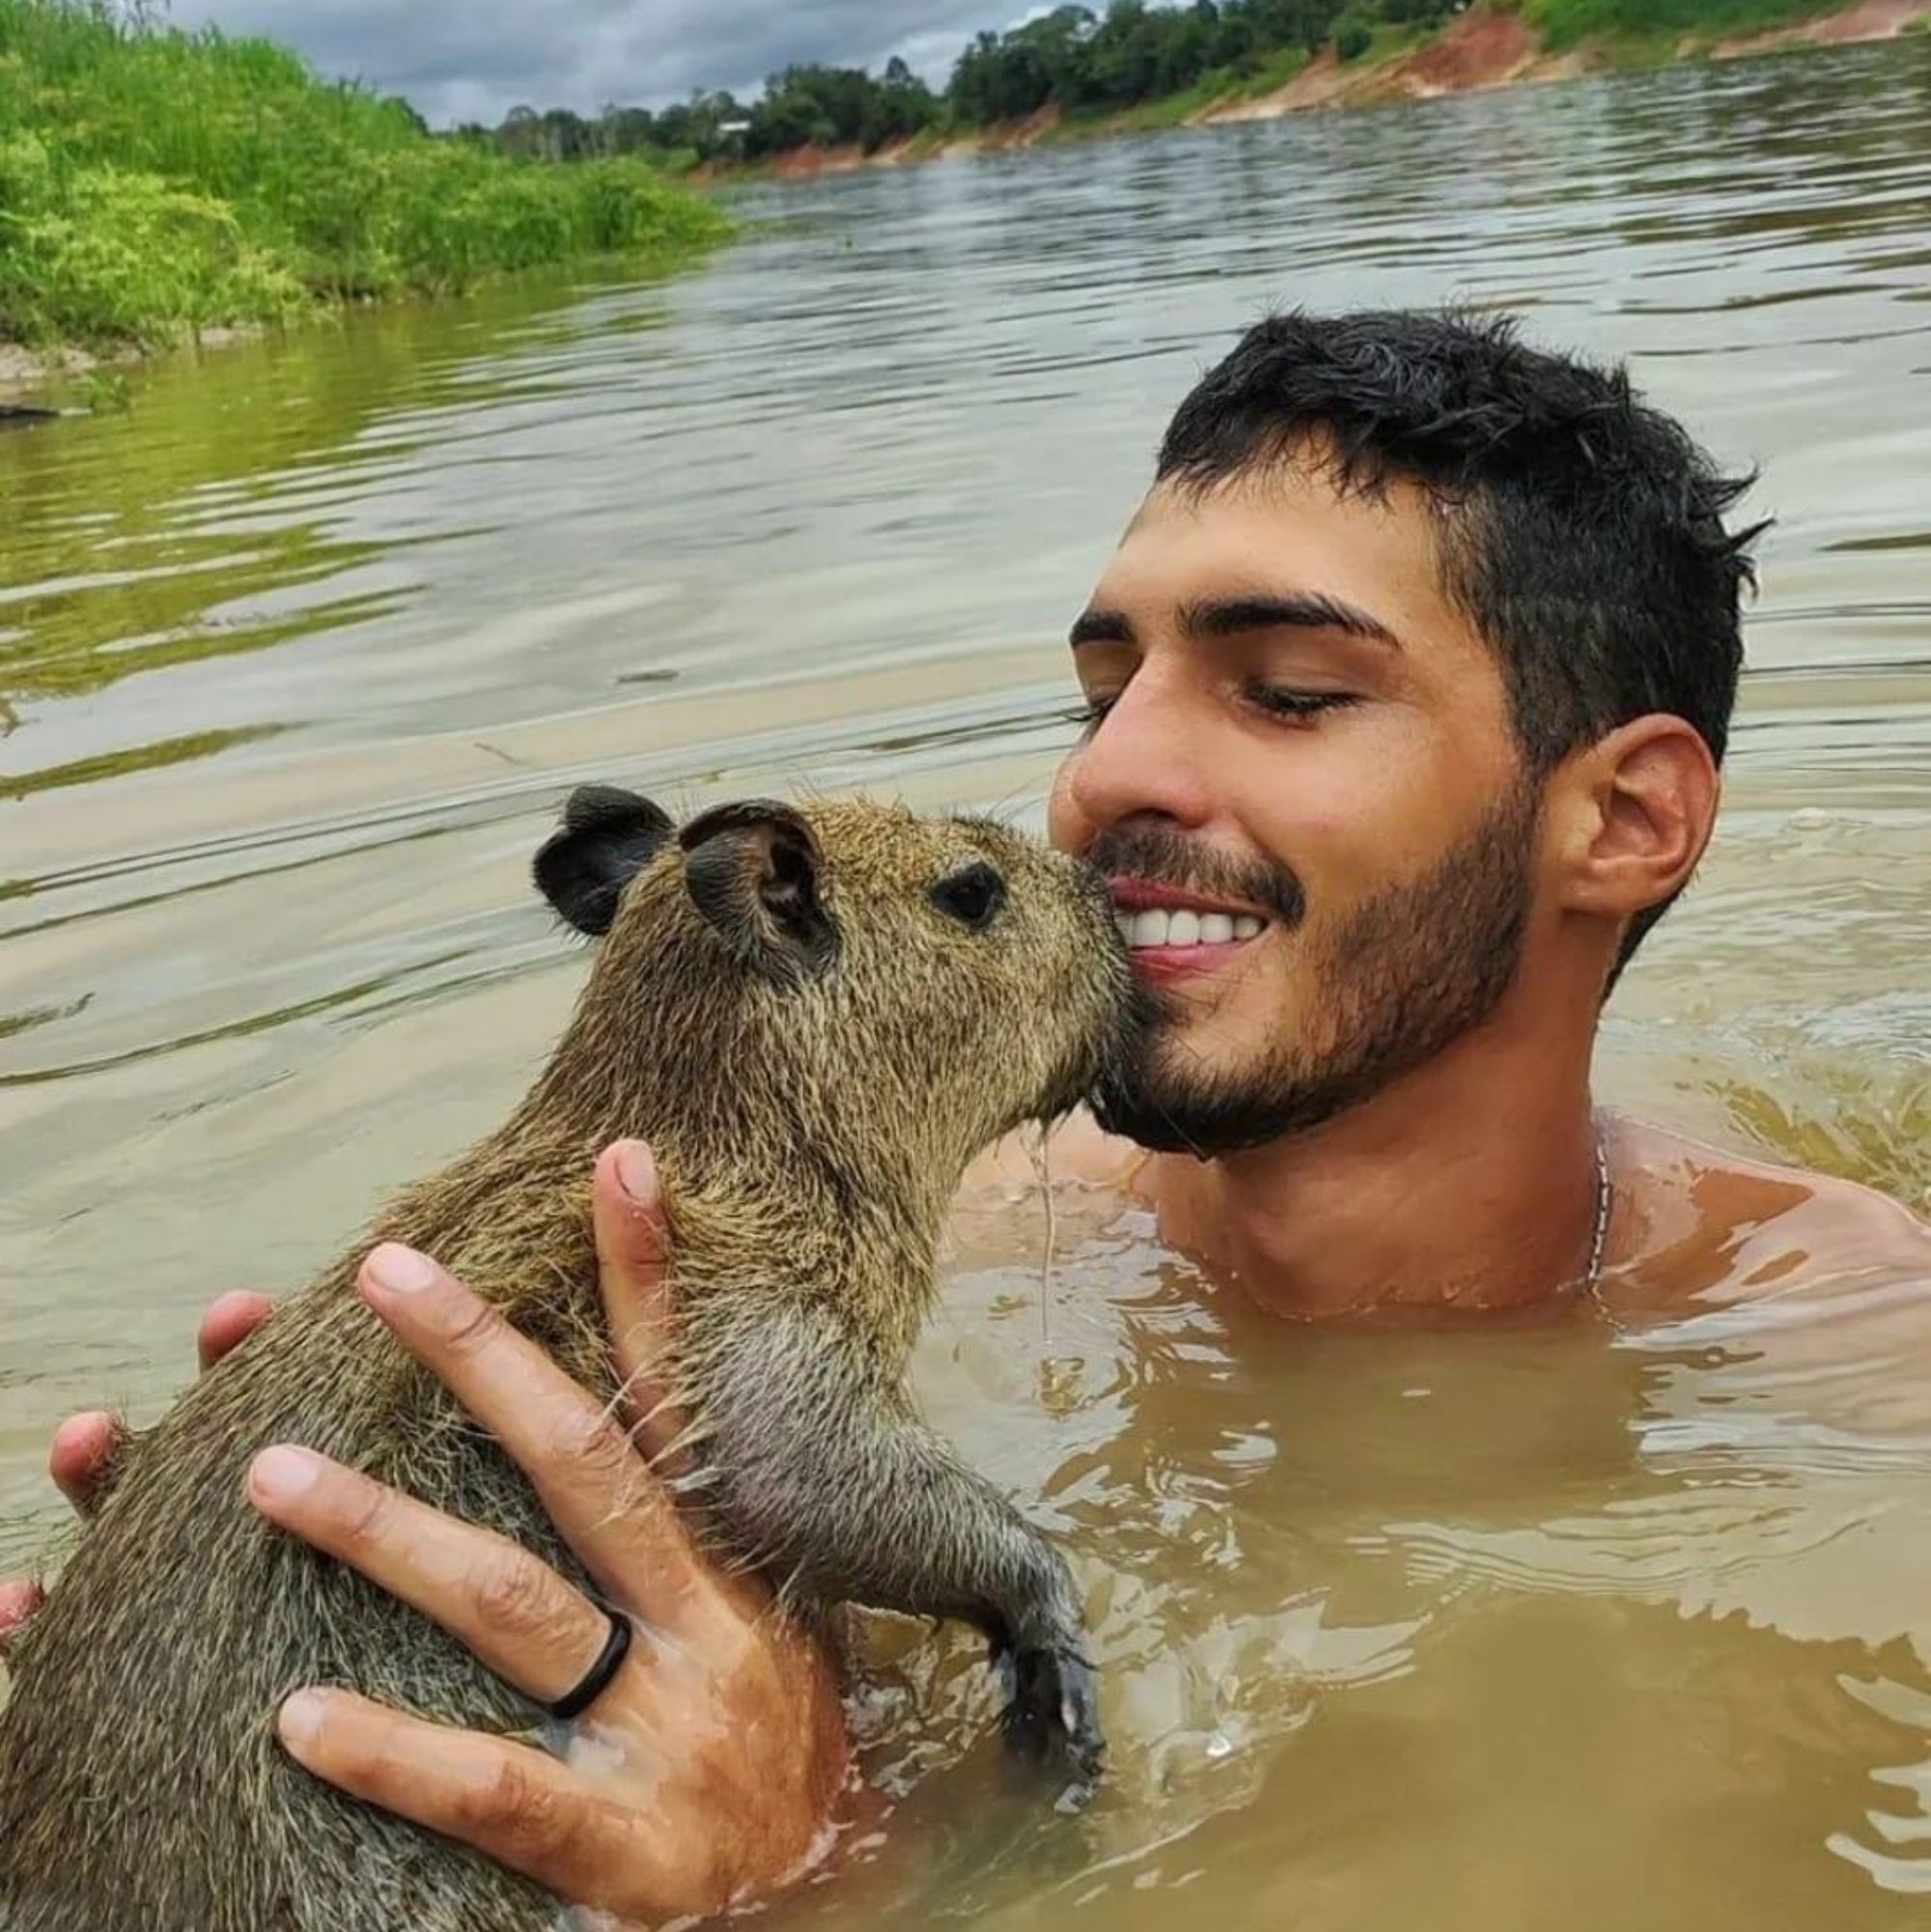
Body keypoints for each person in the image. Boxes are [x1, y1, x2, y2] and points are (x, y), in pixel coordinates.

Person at [3, 309, 1924, 1927]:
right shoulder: (966, 1225)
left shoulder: (1857, 1355)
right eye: (1101, 687)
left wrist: (831, 1858)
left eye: (1286, 690)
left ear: (1628, 818)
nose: (1106, 777)